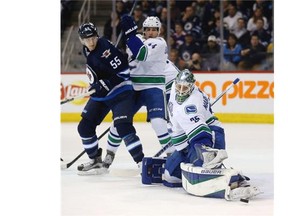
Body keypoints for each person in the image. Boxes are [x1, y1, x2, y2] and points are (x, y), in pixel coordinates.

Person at [141, 69, 261, 201]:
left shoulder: (190, 106)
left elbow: (201, 136)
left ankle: (232, 178)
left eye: (185, 87)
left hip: (211, 135)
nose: (181, 90)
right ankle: (203, 167)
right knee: (170, 176)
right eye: (179, 86)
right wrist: (181, 144)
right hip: (191, 138)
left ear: (191, 87)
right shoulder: (177, 91)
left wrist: (203, 153)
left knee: (202, 163)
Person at [101, 15, 177, 171]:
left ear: (158, 31)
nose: (150, 32)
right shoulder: (134, 38)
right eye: (147, 29)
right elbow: (127, 60)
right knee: (118, 123)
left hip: (153, 88)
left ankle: (173, 156)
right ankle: (109, 155)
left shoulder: (159, 43)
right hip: (133, 88)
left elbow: (142, 54)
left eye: (154, 30)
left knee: (158, 123)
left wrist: (129, 34)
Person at [76, 22, 144, 175]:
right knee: (84, 127)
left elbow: (124, 72)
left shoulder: (105, 49)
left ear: (97, 36)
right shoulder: (87, 50)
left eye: (93, 38)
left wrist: (105, 83)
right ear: (82, 41)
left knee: (123, 127)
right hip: (103, 94)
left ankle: (141, 162)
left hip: (121, 91)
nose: (91, 42)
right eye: (87, 40)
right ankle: (95, 161)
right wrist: (98, 85)